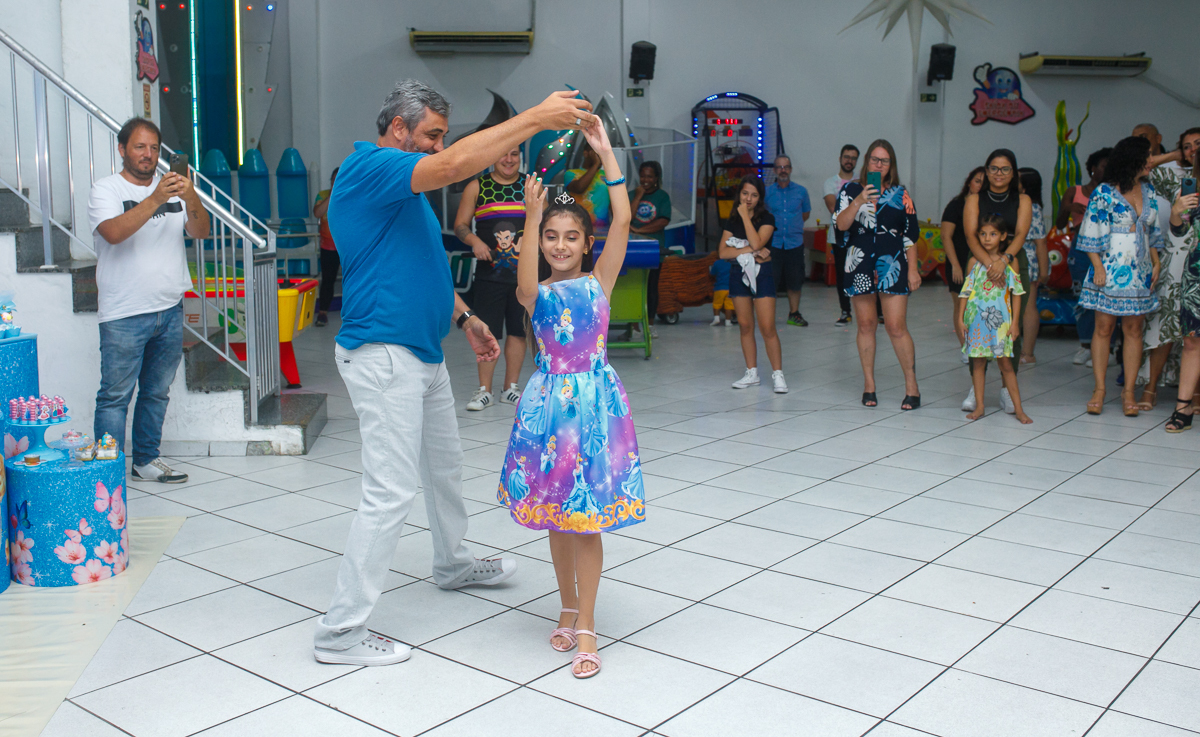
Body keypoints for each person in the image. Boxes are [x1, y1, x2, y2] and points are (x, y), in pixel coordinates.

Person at [313, 80, 596, 667]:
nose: (440, 146)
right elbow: (453, 166)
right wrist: (536, 118)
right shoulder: (369, 168)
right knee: (390, 491)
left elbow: (417, 265)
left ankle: (452, 562)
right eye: (433, 135)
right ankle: (340, 633)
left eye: (443, 136)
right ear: (398, 129)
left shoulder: (405, 190)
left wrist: (465, 317)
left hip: (422, 352)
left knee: (444, 467)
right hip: (383, 353)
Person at [498, 123, 643, 679]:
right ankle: (564, 605)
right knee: (558, 518)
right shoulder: (536, 293)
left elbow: (622, 219)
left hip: (594, 409)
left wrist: (607, 154)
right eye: (551, 237)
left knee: (587, 520)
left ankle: (587, 623)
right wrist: (531, 216)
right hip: (550, 412)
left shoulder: (600, 283)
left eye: (571, 237)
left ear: (587, 244)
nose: (560, 245)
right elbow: (523, 286)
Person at [89, 118, 210, 484]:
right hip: (124, 312)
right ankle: (108, 474)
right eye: (140, 147)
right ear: (122, 149)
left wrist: (190, 196)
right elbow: (113, 233)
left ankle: (145, 460)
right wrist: (156, 198)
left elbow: (201, 231)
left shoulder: (175, 191)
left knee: (156, 393)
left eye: (154, 148)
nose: (148, 154)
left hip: (169, 309)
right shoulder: (106, 189)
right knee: (115, 397)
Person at [1076, 136, 1163, 417]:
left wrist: (1156, 262)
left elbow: (1152, 232)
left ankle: (1128, 392)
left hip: (1141, 272)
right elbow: (1090, 232)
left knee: (1134, 330)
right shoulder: (1104, 192)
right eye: (1147, 156)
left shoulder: (1148, 190)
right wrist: (1098, 267)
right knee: (1103, 328)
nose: (1151, 161)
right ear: (1132, 159)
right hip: (1110, 269)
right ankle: (1099, 389)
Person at [834, 139, 922, 410]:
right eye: (875, 159)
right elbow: (840, 225)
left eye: (884, 161)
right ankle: (869, 385)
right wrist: (859, 201)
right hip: (859, 262)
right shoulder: (850, 190)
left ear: (890, 165)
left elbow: (911, 235)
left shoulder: (901, 194)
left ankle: (912, 386)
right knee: (866, 324)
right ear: (867, 161)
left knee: (896, 326)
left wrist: (913, 269)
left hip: (892, 262)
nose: (879, 165)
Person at [454, 146, 527, 411]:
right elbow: (460, 225)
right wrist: (474, 241)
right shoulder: (477, 187)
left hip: (524, 278)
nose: (508, 159)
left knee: (518, 332)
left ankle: (511, 389)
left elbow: (544, 225)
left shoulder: (530, 186)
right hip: (488, 276)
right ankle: (484, 391)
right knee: (488, 332)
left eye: (514, 154)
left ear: (520, 157)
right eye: (503, 154)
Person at [962, 149, 1032, 414]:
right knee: (976, 323)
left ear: (1013, 173)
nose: (998, 173)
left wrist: (1005, 260)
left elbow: (1021, 233)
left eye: (1005, 169)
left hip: (1013, 261)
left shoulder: (1022, 199)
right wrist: (990, 264)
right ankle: (976, 386)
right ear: (986, 170)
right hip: (979, 261)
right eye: (993, 168)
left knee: (1010, 325)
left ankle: (1006, 388)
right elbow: (971, 235)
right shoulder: (974, 199)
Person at [1139, 127, 1200, 409]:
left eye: (1198, 144)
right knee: (1163, 326)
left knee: (1196, 335)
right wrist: (1178, 155)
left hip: (1196, 267)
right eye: (1187, 146)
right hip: (1175, 262)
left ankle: (1195, 394)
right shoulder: (1177, 180)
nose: (1193, 149)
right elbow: (1145, 165)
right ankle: (1150, 389)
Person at [957, 213, 1032, 423]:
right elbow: (966, 292)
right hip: (976, 321)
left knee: (1006, 364)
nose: (987, 238)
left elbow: (1017, 294)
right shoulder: (974, 262)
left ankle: (1019, 409)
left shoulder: (1009, 263)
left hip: (1001, 324)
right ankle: (980, 406)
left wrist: (1015, 323)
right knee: (978, 363)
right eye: (983, 234)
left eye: (992, 234)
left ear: (1003, 236)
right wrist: (961, 318)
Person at [721, 176, 787, 393]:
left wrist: (745, 218)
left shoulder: (767, 218)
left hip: (762, 274)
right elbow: (723, 252)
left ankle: (778, 374)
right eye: (745, 193)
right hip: (738, 273)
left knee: (767, 326)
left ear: (760, 198)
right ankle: (752, 372)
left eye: (754, 195)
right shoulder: (732, 220)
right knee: (745, 325)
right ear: (739, 194)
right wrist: (751, 250)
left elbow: (758, 241)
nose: (748, 199)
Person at [1058, 147, 1112, 366]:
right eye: (1104, 166)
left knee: (1107, 298)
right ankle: (1085, 345)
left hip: (1107, 249)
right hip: (1080, 249)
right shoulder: (1075, 191)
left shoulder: (1115, 192)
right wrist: (1068, 207)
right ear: (1092, 168)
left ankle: (1108, 347)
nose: (1107, 171)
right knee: (1082, 297)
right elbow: (1059, 224)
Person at [1164, 165, 1200, 432]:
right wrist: (1176, 213)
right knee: (1192, 341)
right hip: (1196, 276)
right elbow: (1178, 231)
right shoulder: (1194, 194)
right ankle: (1183, 407)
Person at [940, 167, 986, 354]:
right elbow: (946, 236)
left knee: (980, 307)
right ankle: (966, 347)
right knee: (961, 306)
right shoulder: (956, 205)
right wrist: (955, 265)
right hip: (958, 260)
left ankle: (980, 344)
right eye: (977, 181)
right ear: (969, 182)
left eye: (984, 183)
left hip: (981, 262)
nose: (980, 186)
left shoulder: (986, 207)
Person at [765, 155, 812, 326]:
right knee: (770, 281)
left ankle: (794, 313)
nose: (783, 170)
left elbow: (805, 214)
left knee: (795, 281)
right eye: (779, 167)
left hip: (795, 243)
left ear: (791, 169)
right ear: (774, 170)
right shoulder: (767, 192)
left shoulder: (801, 191)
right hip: (773, 244)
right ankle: (767, 316)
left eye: (786, 167)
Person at [629, 160, 672, 321]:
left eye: (649, 177)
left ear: (656, 178)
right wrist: (638, 196)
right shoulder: (632, 195)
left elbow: (663, 221)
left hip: (654, 249)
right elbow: (627, 218)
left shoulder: (662, 197)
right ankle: (633, 324)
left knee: (651, 287)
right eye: (642, 176)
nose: (645, 180)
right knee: (633, 287)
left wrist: (639, 230)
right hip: (632, 250)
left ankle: (650, 322)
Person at [1018, 168, 1050, 364]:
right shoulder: (1013, 203)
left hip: (1026, 260)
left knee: (1028, 307)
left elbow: (1040, 242)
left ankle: (1028, 353)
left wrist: (1044, 271)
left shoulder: (1032, 207)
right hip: (1009, 260)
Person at [825, 145, 859, 324]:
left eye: (853, 158)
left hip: (860, 236)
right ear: (840, 159)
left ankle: (876, 312)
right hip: (838, 237)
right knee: (842, 275)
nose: (849, 161)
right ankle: (845, 311)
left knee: (865, 273)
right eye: (846, 157)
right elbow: (833, 208)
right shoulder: (830, 183)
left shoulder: (862, 182)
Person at [313, 167, 339, 327]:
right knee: (328, 280)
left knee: (353, 281)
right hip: (328, 246)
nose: (335, 182)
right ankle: (322, 313)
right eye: (333, 180)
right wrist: (331, 196)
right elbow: (317, 213)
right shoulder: (322, 195)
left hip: (348, 248)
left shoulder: (350, 194)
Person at [710, 257, 733, 326]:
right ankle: (728, 321)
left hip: (719, 288)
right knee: (729, 306)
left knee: (717, 304)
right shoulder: (732, 263)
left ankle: (716, 318)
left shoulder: (717, 263)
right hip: (730, 288)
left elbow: (712, 273)